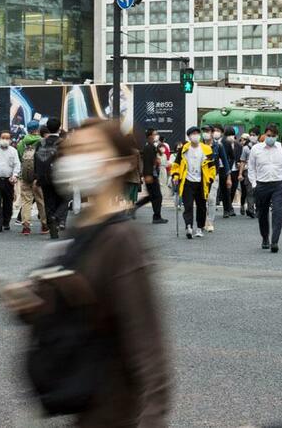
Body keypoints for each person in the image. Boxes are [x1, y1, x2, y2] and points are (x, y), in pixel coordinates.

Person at [18, 118, 171, 425]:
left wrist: (152, 418)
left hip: (113, 410)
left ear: (116, 163)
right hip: (82, 402)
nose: (75, 160)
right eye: (72, 150)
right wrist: (28, 303)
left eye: (88, 150)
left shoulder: (123, 239)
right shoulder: (81, 225)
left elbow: (149, 350)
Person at [247, 125, 282, 253]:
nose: (271, 138)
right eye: (268, 135)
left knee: (277, 211)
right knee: (262, 214)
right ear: (264, 135)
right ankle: (265, 237)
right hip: (261, 184)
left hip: (279, 184)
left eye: (273, 136)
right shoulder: (256, 149)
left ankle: (275, 241)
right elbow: (251, 168)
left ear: (277, 136)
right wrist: (254, 183)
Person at [171, 126, 216, 239]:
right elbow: (176, 164)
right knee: (188, 206)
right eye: (193, 134)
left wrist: (210, 179)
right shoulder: (184, 149)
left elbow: (212, 167)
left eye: (197, 133)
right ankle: (189, 226)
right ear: (189, 136)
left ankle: (200, 228)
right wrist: (176, 175)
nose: (195, 135)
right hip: (187, 181)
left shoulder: (207, 149)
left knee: (201, 206)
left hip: (202, 182)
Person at [36, 118, 68, 239]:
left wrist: (37, 177)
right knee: (65, 199)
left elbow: (37, 160)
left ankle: (52, 230)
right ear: (59, 127)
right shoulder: (64, 142)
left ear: (47, 128)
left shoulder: (41, 143)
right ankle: (57, 217)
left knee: (48, 203)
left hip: (45, 178)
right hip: (61, 177)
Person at [17, 121, 48, 235]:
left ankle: (26, 227)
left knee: (26, 201)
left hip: (25, 176)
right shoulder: (42, 141)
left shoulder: (21, 143)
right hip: (38, 176)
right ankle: (44, 225)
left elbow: (20, 157)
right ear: (37, 129)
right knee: (41, 200)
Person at [134, 128, 168, 224]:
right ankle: (156, 217)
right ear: (150, 136)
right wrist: (148, 175)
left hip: (152, 174)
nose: (156, 135)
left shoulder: (151, 146)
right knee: (157, 196)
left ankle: (135, 208)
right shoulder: (148, 147)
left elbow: (152, 160)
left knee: (152, 196)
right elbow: (147, 162)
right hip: (150, 175)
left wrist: (157, 160)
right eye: (155, 134)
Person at [201, 125, 227, 232]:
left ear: (212, 133)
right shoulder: (198, 146)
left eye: (207, 131)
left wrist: (228, 177)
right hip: (200, 176)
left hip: (214, 176)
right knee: (202, 199)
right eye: (204, 131)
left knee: (212, 199)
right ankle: (202, 221)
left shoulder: (218, 146)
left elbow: (225, 162)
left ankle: (210, 222)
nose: (205, 133)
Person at [237, 132, 256, 218]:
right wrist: (240, 173)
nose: (253, 137)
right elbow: (242, 161)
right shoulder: (245, 148)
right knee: (249, 191)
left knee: (257, 191)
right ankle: (250, 209)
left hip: (259, 172)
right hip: (247, 171)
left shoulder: (261, 147)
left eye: (254, 135)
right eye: (251, 135)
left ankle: (255, 209)